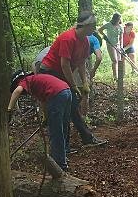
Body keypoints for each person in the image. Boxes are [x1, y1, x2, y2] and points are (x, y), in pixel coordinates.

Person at [38, 11, 106, 147]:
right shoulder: (68, 38)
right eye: (93, 25)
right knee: (63, 107)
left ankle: (81, 139)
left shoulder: (86, 41)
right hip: (49, 73)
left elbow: (81, 63)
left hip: (62, 74)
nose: (95, 28)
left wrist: (85, 82)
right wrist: (73, 86)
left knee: (73, 106)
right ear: (86, 26)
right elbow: (64, 64)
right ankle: (63, 146)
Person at [8, 70, 71, 171]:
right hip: (66, 91)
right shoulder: (36, 82)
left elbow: (17, 91)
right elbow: (44, 103)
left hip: (56, 95)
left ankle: (60, 164)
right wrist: (46, 118)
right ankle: (63, 154)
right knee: (62, 128)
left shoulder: (25, 80)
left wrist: (9, 110)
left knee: (55, 131)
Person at [99, 12, 123, 81]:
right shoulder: (109, 25)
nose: (119, 20)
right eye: (117, 19)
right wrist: (104, 36)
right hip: (110, 44)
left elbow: (121, 37)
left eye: (119, 19)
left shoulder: (120, 27)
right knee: (114, 60)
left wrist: (121, 46)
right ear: (114, 19)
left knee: (119, 60)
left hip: (117, 45)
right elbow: (100, 30)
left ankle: (119, 75)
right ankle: (115, 77)